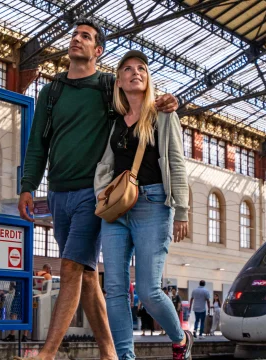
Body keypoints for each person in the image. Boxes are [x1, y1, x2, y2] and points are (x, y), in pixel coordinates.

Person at [17, 17, 177, 360]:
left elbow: (141, 98)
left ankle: (47, 352)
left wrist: (166, 103)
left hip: (94, 195)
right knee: (87, 274)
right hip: (58, 193)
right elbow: (37, 144)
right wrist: (28, 185)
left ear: (97, 50)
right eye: (74, 35)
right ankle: (109, 353)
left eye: (86, 37)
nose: (77, 40)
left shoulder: (108, 86)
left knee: (72, 267)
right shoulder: (51, 91)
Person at [94, 50, 193, 360]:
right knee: (115, 291)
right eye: (128, 69)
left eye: (141, 69)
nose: (135, 73)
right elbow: (106, 164)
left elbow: (176, 161)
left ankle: (181, 339)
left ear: (147, 79)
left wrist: (182, 210)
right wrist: (102, 190)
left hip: (153, 204)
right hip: (116, 211)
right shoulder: (115, 123)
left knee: (149, 291)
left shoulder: (163, 114)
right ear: (120, 80)